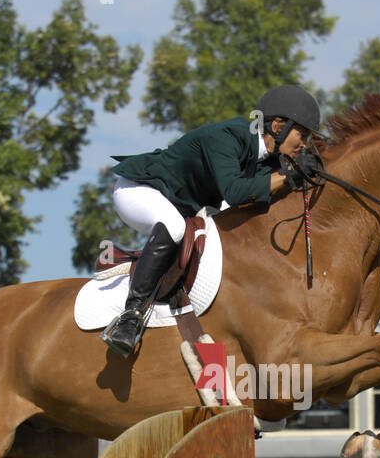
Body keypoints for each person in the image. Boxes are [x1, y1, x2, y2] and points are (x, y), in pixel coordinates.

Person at [101, 84, 323, 357]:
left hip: (181, 204)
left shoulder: (268, 157)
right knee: (174, 226)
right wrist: (288, 176)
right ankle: (130, 317)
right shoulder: (227, 137)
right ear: (278, 126)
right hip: (140, 189)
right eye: (303, 135)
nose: (304, 144)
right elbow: (235, 192)